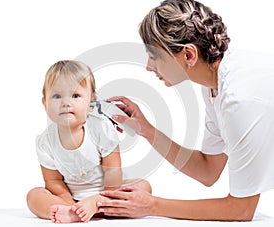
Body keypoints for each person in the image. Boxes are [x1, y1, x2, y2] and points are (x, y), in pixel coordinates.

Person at [97, 0, 274, 221]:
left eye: (154, 56)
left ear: (188, 55)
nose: (148, 66)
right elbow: (208, 171)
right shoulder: (214, 87)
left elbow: (241, 210)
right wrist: (146, 130)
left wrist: (151, 206)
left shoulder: (239, 98)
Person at [26, 60, 151, 223]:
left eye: (75, 95)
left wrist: (102, 199)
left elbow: (113, 171)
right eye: (57, 96)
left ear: (91, 103)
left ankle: (96, 207)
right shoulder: (45, 141)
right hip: (71, 198)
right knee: (34, 196)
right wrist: (70, 203)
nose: (66, 102)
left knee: (143, 186)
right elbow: (53, 180)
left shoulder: (101, 128)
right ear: (45, 103)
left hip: (108, 195)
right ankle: (72, 212)